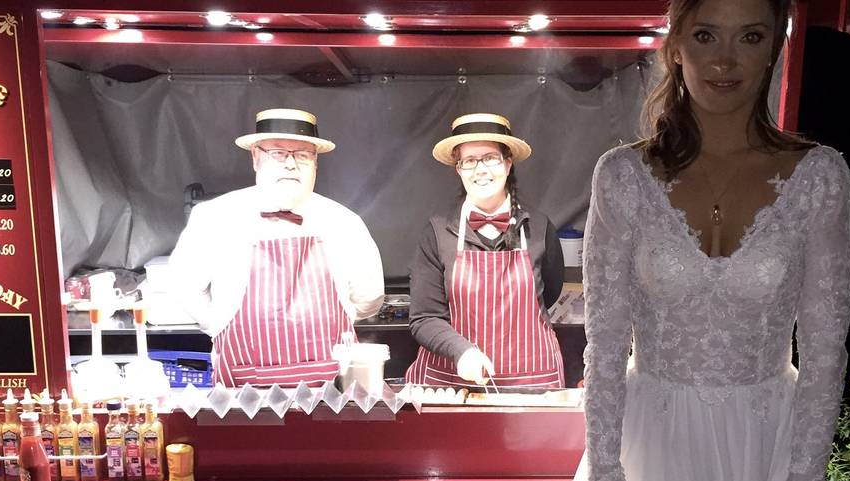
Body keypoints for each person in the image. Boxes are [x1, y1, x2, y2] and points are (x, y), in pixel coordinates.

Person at [534, 0, 850, 481]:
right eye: (706, 35)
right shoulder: (623, 176)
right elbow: (605, 345)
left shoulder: (818, 176)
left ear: (774, 48)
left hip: (761, 454)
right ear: (675, 45)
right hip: (650, 448)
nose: (725, 58)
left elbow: (825, 354)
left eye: (750, 36)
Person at [169, 108, 384, 387]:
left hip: (332, 387)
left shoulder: (344, 222)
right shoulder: (214, 217)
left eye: (302, 155)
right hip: (241, 388)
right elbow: (183, 286)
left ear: (315, 163)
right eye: (278, 153)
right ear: (256, 158)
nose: (291, 165)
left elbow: (370, 297)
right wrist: (217, 325)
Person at [405, 113, 566, 388]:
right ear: (458, 169)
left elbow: (550, 293)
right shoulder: (437, 232)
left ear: (508, 163)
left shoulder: (540, 227)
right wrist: (462, 351)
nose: (480, 169)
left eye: (490, 157)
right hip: (453, 384)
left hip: (532, 383)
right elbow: (424, 317)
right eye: (469, 161)